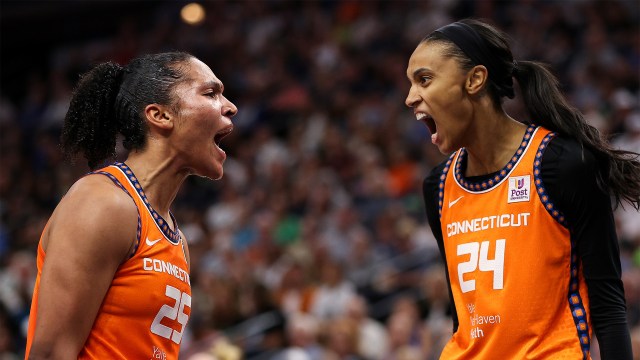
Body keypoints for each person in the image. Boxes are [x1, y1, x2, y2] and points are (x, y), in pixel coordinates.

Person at [405, 19, 640, 359]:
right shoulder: (438, 187)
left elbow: (608, 303)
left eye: (424, 79)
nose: (410, 97)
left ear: (475, 80)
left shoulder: (562, 165)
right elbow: (465, 316)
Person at [25, 52, 237, 359]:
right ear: (160, 115)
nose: (230, 106)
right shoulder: (103, 202)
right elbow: (50, 353)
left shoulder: (177, 240)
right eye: (210, 93)